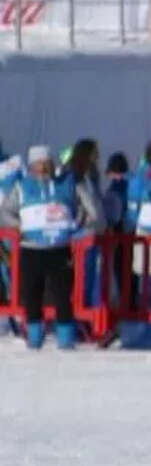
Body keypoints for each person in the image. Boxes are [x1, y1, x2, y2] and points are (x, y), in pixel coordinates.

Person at [3, 143, 83, 347]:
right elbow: (5, 212)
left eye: (46, 163)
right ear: (31, 165)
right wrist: (18, 226)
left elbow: (79, 208)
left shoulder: (65, 184)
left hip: (59, 248)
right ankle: (35, 339)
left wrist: (76, 227)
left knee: (63, 296)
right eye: (38, 163)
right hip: (31, 248)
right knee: (32, 295)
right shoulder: (21, 187)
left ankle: (66, 340)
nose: (42, 167)